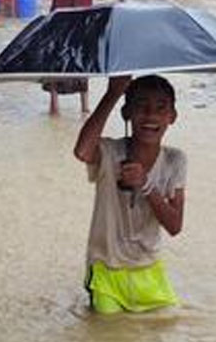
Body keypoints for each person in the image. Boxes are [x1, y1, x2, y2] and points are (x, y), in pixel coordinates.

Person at [74, 75, 186, 314]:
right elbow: (83, 151)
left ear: (172, 116)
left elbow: (175, 225)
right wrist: (113, 93)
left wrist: (145, 185)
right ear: (127, 113)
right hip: (106, 269)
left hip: (149, 267)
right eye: (141, 106)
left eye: (160, 108)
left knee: (168, 329)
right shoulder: (109, 152)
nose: (151, 116)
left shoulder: (175, 160)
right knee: (109, 334)